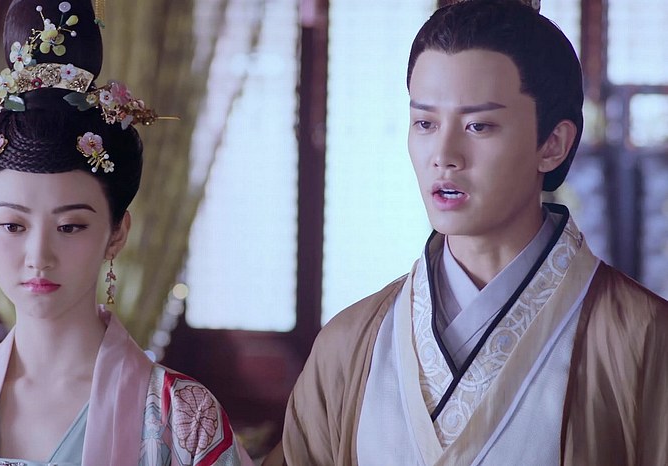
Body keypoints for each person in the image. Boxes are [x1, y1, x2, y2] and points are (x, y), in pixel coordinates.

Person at [269, 0, 668, 465]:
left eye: (478, 125)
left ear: (552, 144)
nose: (444, 155)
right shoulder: (349, 343)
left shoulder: (642, 341)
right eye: (425, 123)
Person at [0, 1, 253, 464]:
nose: (38, 254)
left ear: (116, 233)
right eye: (12, 225)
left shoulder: (183, 420)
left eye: (70, 226)